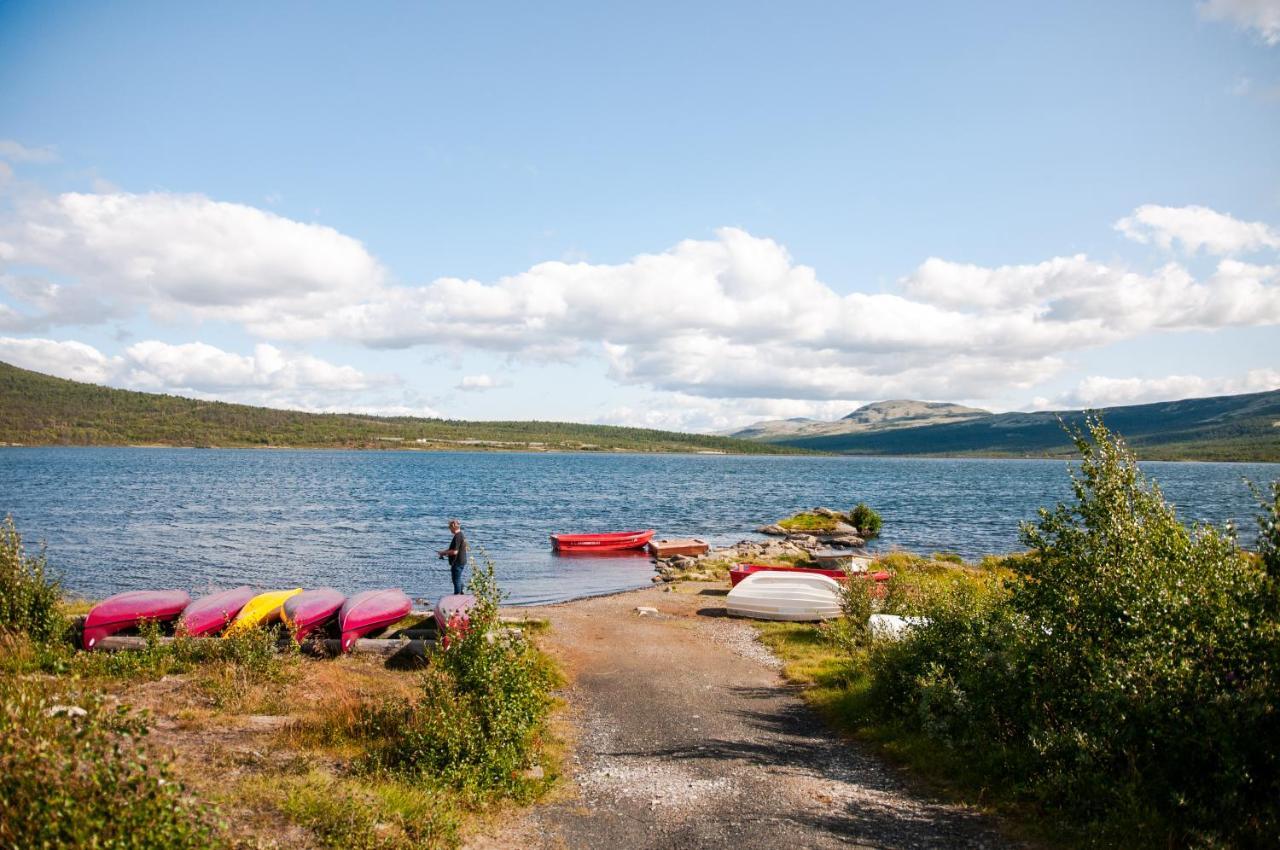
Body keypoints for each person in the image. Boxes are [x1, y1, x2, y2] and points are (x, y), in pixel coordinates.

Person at [437, 519, 468, 595]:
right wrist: (443, 552)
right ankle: (461, 591)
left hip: (457, 562)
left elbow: (455, 552)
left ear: (453, 527)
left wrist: (444, 553)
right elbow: (453, 549)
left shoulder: (457, 536)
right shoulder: (461, 535)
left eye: (449, 528)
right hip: (461, 561)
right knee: (457, 578)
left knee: (456, 580)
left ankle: (457, 596)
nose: (449, 529)